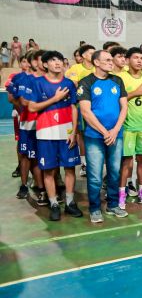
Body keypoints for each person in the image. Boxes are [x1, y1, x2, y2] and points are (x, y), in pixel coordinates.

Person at [26, 50, 82, 221]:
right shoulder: (38, 83)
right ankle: (54, 204)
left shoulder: (70, 84)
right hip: (46, 133)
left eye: (60, 60)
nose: (57, 63)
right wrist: (56, 98)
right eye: (52, 60)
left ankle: (70, 203)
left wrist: (74, 131)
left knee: (70, 168)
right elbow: (32, 107)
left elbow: (73, 108)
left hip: (66, 133)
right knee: (49, 170)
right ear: (45, 64)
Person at [78, 50, 129, 223]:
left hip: (116, 135)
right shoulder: (86, 82)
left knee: (114, 172)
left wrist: (115, 130)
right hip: (94, 136)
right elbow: (85, 111)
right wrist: (104, 131)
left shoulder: (117, 80)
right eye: (107, 60)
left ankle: (113, 204)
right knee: (95, 175)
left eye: (111, 60)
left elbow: (124, 107)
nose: (111, 62)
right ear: (96, 63)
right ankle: (94, 208)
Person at [118, 47, 142, 208]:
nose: (140, 60)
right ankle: (121, 193)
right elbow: (117, 100)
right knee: (126, 161)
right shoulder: (119, 78)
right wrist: (135, 92)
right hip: (127, 126)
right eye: (136, 58)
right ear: (127, 60)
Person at [14, 50, 46, 205]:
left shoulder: (51, 79)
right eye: (42, 60)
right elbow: (24, 102)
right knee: (26, 156)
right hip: (28, 124)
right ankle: (24, 185)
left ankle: (43, 188)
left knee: (42, 157)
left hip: (47, 125)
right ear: (34, 62)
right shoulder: (25, 79)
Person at [65, 44, 95, 177]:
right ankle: (84, 164)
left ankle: (95, 162)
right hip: (81, 105)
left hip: (97, 106)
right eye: (90, 52)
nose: (93, 54)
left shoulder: (98, 68)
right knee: (82, 135)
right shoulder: (75, 69)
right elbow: (74, 86)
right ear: (83, 55)